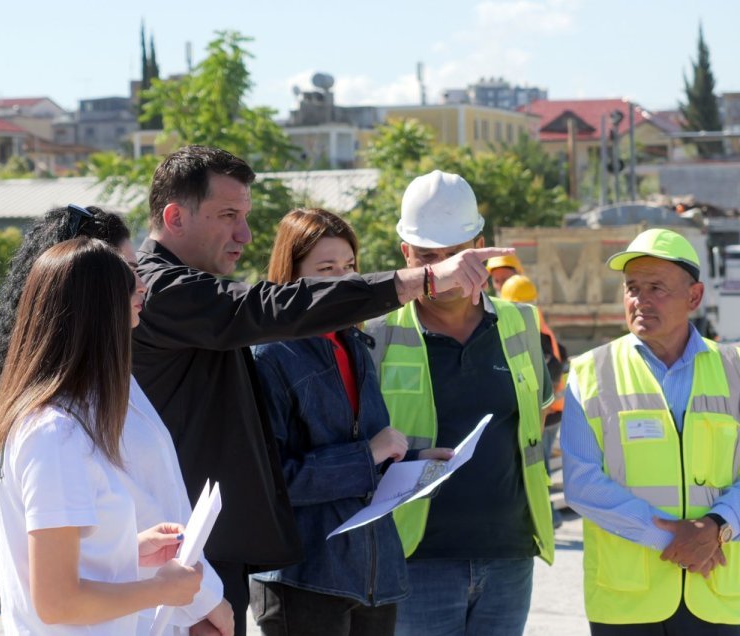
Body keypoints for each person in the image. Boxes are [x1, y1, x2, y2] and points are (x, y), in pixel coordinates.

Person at [131, 145, 511, 634]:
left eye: (245, 217)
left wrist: (407, 460)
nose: (243, 235)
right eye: (228, 215)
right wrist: (422, 281)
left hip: (212, 554)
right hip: (189, 555)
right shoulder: (159, 289)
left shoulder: (348, 344)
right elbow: (266, 311)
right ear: (174, 217)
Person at [0, 205, 232, 636]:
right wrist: (161, 589)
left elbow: (55, 562)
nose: (142, 287)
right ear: (96, 308)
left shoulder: (57, 420)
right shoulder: (54, 431)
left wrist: (130, 553)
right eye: (127, 278)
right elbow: (58, 600)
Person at [561, 228, 740, 634]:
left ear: (693, 297)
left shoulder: (736, 372)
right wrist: (676, 540)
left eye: (657, 288)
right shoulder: (591, 373)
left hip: (713, 594)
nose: (640, 300)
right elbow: (582, 482)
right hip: (626, 600)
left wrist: (716, 527)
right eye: (632, 288)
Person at [365, 170, 555, 636]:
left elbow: (537, 421)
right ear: (404, 254)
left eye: (455, 255)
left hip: (509, 557)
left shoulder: (522, 324)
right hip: (414, 560)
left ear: (482, 246)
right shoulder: (375, 334)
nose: (445, 270)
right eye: (429, 257)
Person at [248, 208, 454, 635]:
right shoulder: (269, 355)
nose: (343, 281)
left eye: (349, 268)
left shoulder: (354, 342)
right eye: (326, 270)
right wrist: (369, 455)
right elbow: (270, 483)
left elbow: (361, 448)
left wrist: (412, 460)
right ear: (291, 276)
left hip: (374, 577)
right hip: (303, 581)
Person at [500, 273, 567, 529]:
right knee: (541, 463)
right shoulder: (539, 326)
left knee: (540, 465)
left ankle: (550, 516)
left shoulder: (531, 330)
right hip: (551, 412)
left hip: (546, 414)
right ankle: (548, 515)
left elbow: (549, 371)